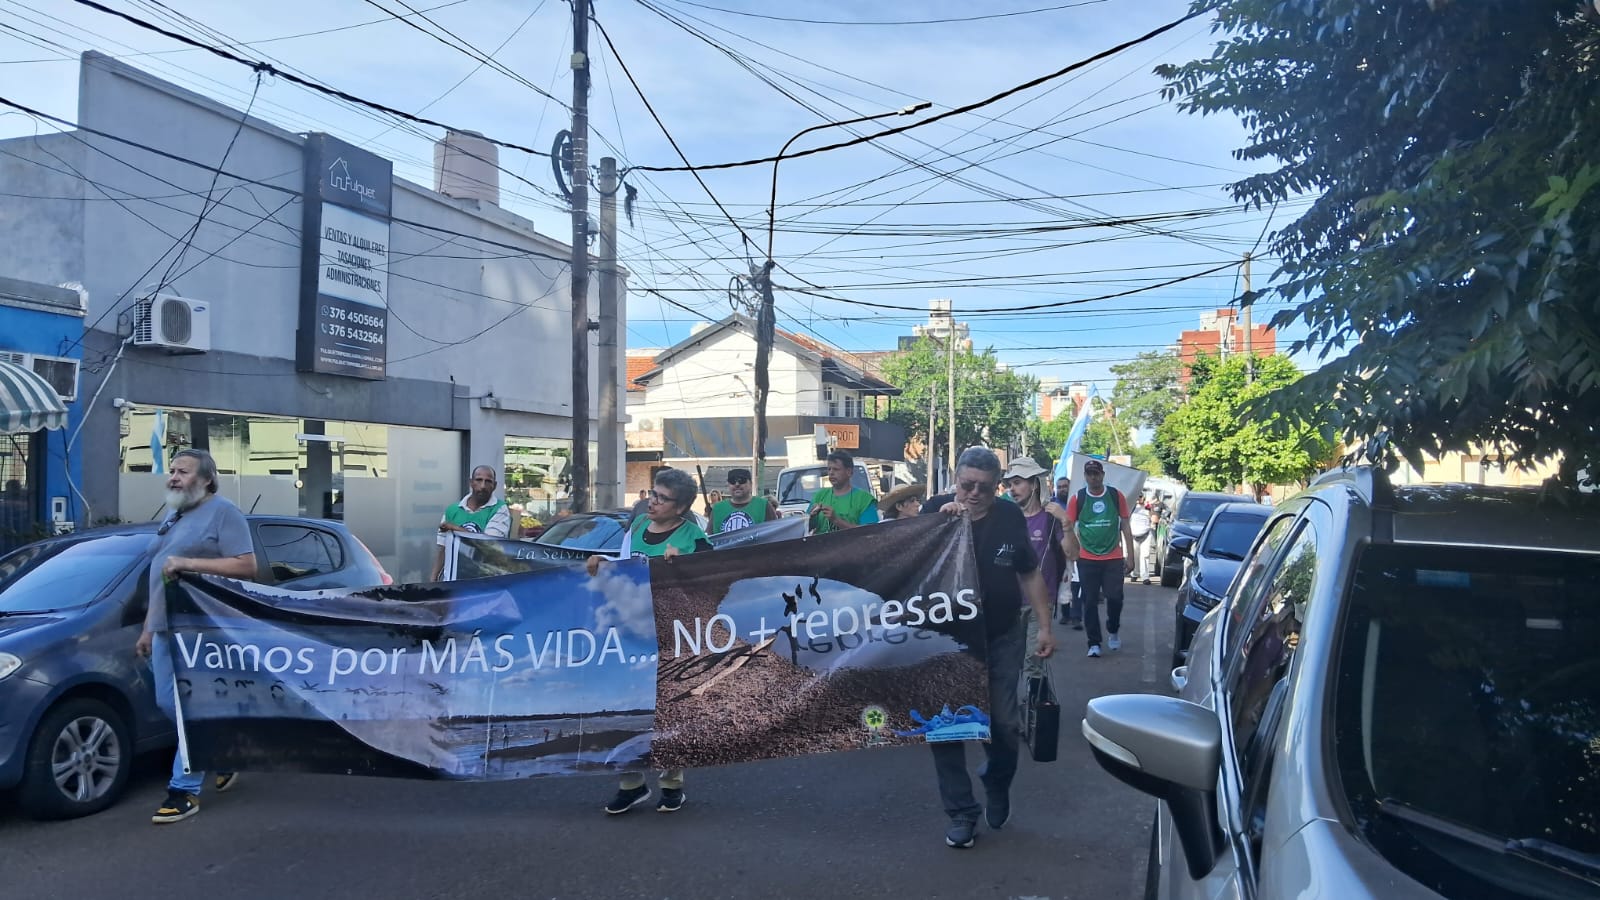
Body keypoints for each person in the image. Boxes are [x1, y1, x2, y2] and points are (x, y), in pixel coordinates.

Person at [921, 447, 1056, 850]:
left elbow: (1029, 573)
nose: (974, 493)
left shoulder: (1010, 516)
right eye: (966, 485)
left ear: (997, 487)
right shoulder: (934, 510)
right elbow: (905, 570)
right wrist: (937, 528)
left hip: (1000, 635)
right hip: (944, 643)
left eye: (984, 487)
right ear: (955, 479)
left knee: (1003, 726)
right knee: (945, 730)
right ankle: (961, 813)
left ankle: (997, 782)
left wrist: (1045, 627)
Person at [133, 449, 258, 825]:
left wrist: (189, 563)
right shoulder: (175, 515)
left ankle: (184, 790)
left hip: (200, 631)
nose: (173, 477)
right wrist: (148, 629)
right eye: (171, 471)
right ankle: (220, 750)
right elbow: (159, 577)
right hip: (166, 629)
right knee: (169, 703)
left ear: (206, 479)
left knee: (188, 706)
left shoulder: (225, 513)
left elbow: (247, 564)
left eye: (182, 472)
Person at [586, 468, 711, 815]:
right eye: (651, 493)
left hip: (673, 634)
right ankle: (631, 784)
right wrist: (601, 563)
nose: (651, 502)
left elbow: (714, 582)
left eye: (661, 498)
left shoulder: (693, 537)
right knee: (626, 707)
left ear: (682, 508)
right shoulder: (637, 528)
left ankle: (672, 784)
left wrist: (684, 565)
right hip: (632, 631)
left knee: (669, 709)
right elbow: (624, 566)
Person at [1063, 458, 1136, 658]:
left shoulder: (1115, 496)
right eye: (1089, 474)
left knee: (1115, 597)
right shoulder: (1078, 498)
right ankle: (1093, 642)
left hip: (1113, 556)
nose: (1093, 477)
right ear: (1085, 476)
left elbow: (1126, 526)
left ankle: (1113, 628)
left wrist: (1131, 556)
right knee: (1089, 600)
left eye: (1096, 473)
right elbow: (1068, 527)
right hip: (1087, 558)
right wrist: (1071, 553)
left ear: (1103, 475)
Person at [1003, 459, 1067, 686]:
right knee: (1008, 664)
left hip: (1039, 602)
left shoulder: (1051, 518)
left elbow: (1073, 553)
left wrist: (1066, 520)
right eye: (1010, 484)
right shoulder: (1005, 518)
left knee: (1033, 663)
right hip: (1009, 603)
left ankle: (1031, 715)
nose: (1012, 488)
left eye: (1018, 483)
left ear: (1034, 485)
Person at [430, 466, 512, 580]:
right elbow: (444, 548)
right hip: (454, 581)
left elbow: (489, 544)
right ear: (471, 482)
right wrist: (433, 578)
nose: (483, 486)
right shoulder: (452, 510)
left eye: (488, 481)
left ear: (495, 486)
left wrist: (454, 528)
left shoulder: (500, 509)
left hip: (486, 581)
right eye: (479, 480)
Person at [806, 450, 880, 534]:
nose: (831, 473)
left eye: (836, 469)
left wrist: (836, 520)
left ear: (849, 472)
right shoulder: (819, 496)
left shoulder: (864, 499)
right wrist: (811, 518)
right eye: (829, 469)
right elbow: (805, 530)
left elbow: (870, 532)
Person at [1050, 475, 1082, 629]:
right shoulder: (1052, 505)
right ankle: (1065, 613)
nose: (1062, 489)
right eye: (1060, 486)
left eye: (1065, 486)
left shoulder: (1076, 502)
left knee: (1076, 582)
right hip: (1058, 549)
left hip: (1076, 545)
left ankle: (1076, 616)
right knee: (1063, 580)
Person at [709, 467, 778, 533]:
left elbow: (775, 534)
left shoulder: (763, 505)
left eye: (741, 480)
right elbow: (708, 539)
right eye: (732, 481)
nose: (737, 484)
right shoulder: (718, 509)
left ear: (751, 484)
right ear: (728, 485)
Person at [1129, 499, 1155, 585]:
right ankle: (1135, 574)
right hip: (1134, 534)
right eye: (1138, 497)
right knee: (1135, 555)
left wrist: (1151, 509)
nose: (1140, 499)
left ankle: (1145, 577)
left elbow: (1154, 519)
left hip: (1146, 534)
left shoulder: (1148, 507)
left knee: (1145, 555)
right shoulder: (1132, 507)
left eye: (1142, 497)